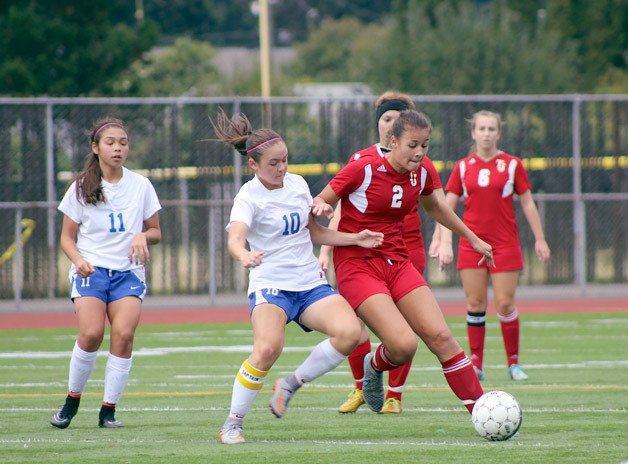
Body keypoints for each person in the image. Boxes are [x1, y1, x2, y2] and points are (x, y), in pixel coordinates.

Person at [211, 109, 384, 445]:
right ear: (254, 165)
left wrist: (355, 237)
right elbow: (235, 239)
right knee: (267, 348)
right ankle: (233, 423)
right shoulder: (248, 197)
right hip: (271, 285)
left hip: (308, 283)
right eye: (274, 163)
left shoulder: (298, 185)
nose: (282, 168)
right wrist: (244, 254)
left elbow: (314, 233)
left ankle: (290, 384)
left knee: (350, 332)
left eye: (285, 160)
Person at [311, 109, 494, 417]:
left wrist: (472, 238)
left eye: (425, 145)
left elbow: (435, 207)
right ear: (393, 141)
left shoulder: (421, 172)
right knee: (404, 345)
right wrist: (323, 215)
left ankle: (483, 412)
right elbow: (320, 204)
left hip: (398, 261)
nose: (420, 152)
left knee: (442, 338)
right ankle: (375, 364)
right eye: (413, 145)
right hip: (358, 266)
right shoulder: (362, 168)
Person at [319, 91, 444, 415]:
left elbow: (439, 204)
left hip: (406, 247)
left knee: (406, 324)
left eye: (396, 118)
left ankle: (395, 394)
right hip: (361, 250)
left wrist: (443, 239)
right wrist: (327, 248)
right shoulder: (362, 161)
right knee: (353, 320)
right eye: (386, 119)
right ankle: (362, 386)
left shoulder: (421, 164)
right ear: (386, 130)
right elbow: (339, 205)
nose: (391, 123)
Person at [50, 117, 162, 429]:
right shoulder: (80, 187)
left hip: (128, 273)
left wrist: (142, 235)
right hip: (92, 272)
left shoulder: (141, 185)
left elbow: (155, 231)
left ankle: (108, 411)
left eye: (123, 143)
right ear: (96, 147)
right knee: (91, 334)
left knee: (124, 335)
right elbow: (66, 238)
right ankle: (71, 401)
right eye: (110, 142)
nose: (118, 148)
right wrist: (79, 259)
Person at [436, 110, 551, 382]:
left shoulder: (512, 165)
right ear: (473, 133)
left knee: (505, 303)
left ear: (499, 133)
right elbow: (445, 209)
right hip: (471, 244)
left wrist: (540, 238)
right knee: (475, 303)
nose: (486, 133)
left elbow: (527, 203)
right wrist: (444, 243)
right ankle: (476, 364)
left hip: (504, 244)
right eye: (481, 128)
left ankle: (514, 364)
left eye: (491, 129)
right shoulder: (463, 167)